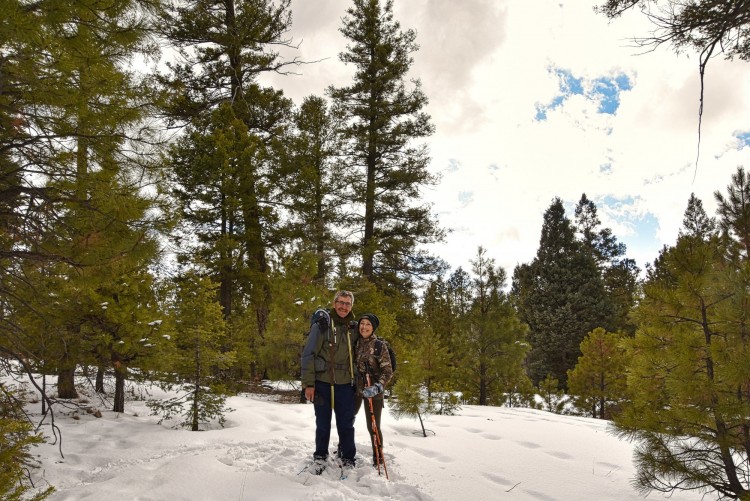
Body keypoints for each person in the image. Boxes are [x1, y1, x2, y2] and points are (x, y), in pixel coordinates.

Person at [300, 290, 359, 473]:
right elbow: (308, 354)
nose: (343, 307)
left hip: (345, 384)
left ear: (351, 306)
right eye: (340, 302)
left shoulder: (354, 327)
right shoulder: (322, 325)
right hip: (323, 382)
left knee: (346, 424)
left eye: (347, 304)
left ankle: (348, 457)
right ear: (334, 303)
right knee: (323, 423)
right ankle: (320, 457)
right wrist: (309, 384)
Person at [353, 313, 393, 467]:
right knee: (348, 419)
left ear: (373, 327)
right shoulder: (355, 342)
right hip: (356, 389)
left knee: (373, 425)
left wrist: (378, 386)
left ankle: (378, 456)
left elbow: (388, 371)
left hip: (374, 391)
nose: (364, 327)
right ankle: (344, 448)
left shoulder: (379, 345)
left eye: (368, 324)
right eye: (362, 323)